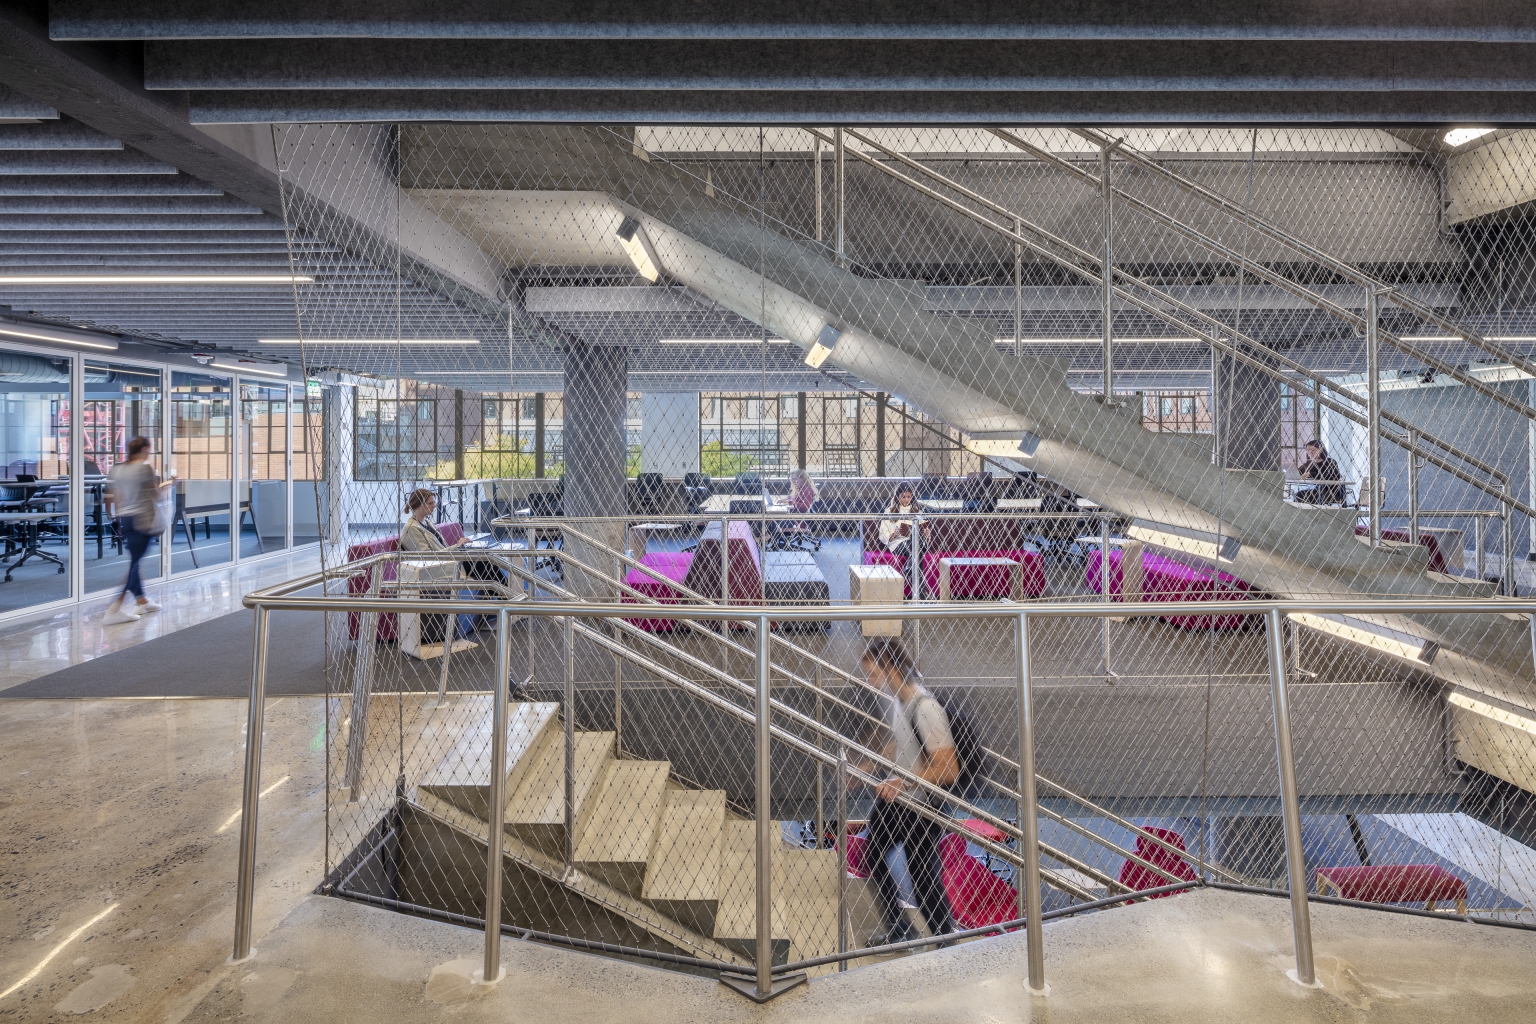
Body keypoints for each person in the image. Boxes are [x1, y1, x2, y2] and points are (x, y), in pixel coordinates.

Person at [854, 637, 959, 947]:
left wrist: (904, 781)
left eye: (873, 674)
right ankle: (900, 927)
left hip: (921, 805)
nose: (869, 682)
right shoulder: (899, 703)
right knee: (873, 853)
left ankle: (945, 939)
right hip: (897, 800)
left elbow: (948, 768)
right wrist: (869, 766)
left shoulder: (926, 709)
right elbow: (902, 744)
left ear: (891, 668)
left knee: (922, 874)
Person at [103, 437, 173, 624]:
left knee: (135, 561)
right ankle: (114, 609)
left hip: (126, 519)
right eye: (149, 449)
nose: (149, 453)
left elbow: (115, 497)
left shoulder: (117, 469)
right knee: (134, 564)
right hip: (142, 519)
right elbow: (157, 495)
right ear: (143, 449)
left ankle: (142, 601)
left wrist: (118, 520)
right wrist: (169, 485)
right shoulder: (144, 469)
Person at [877, 483, 930, 596]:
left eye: (909, 497)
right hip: (898, 543)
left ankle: (910, 566)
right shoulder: (889, 511)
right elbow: (882, 535)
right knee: (917, 547)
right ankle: (921, 594)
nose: (906, 500)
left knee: (917, 538)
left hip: (916, 542)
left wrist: (927, 533)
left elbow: (924, 529)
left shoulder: (917, 511)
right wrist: (893, 535)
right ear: (897, 496)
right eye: (903, 496)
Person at [399, 488, 464, 553]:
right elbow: (427, 556)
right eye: (430, 503)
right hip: (440, 559)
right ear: (417, 506)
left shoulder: (426, 522)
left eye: (434, 502)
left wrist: (458, 547)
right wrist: (457, 547)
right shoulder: (411, 528)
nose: (434, 506)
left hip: (446, 557)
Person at [1294, 440, 1344, 505]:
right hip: (1318, 490)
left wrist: (1311, 474)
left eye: (1313, 450)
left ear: (1320, 450)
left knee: (1313, 496)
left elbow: (1333, 476)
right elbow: (1298, 472)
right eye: (1308, 450)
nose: (1310, 452)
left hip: (1331, 491)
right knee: (1299, 494)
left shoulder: (1330, 462)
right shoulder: (1310, 463)